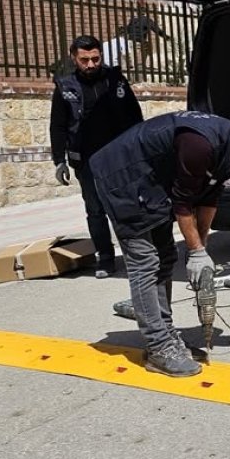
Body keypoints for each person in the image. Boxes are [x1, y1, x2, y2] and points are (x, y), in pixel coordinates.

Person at [89, 112, 230, 377]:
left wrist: (201, 248)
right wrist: (194, 250)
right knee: (145, 262)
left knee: (166, 257)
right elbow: (182, 202)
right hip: (122, 177)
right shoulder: (200, 144)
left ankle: (166, 334)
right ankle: (159, 347)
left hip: (151, 182)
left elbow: (209, 198)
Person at [50, 35, 145, 278]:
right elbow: (58, 126)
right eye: (85, 60)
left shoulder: (115, 79)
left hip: (118, 155)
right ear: (74, 58)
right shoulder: (65, 86)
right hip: (86, 158)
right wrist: (59, 160)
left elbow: (134, 114)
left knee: (126, 206)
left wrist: (140, 147)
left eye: (95, 59)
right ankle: (105, 257)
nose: (91, 64)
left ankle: (136, 254)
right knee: (95, 210)